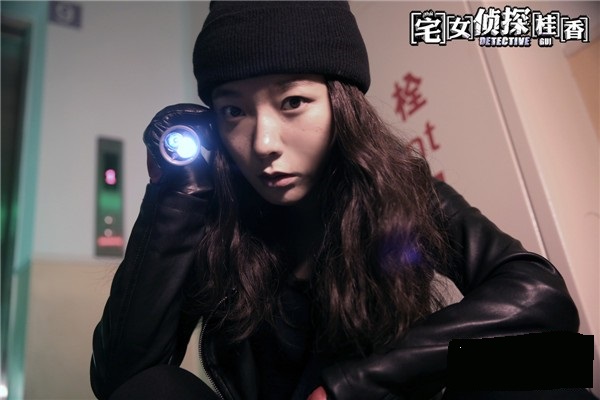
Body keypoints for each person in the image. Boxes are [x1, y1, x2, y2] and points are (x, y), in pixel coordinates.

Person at [90, 2, 589, 400]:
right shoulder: (216, 220)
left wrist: (352, 386)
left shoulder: (396, 190)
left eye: (292, 102)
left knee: (547, 363)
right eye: (233, 112)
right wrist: (176, 192)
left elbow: (541, 296)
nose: (263, 142)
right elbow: (125, 379)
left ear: (341, 105)